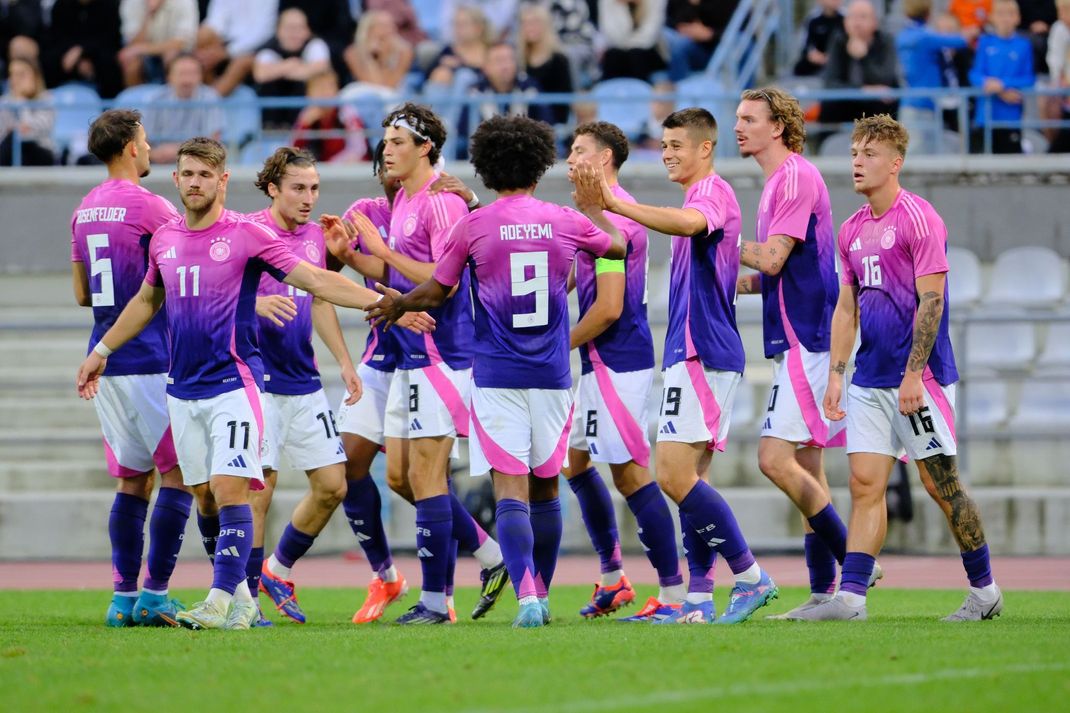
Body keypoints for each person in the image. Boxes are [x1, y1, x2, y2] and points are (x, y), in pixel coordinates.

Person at [74, 136, 432, 631]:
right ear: (176, 180)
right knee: (202, 494)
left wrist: (388, 302)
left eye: (206, 175)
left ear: (222, 181)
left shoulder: (246, 235)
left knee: (230, 489)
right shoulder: (165, 239)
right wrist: (100, 352)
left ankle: (221, 602)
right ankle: (242, 598)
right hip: (182, 389)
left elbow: (317, 281)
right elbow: (144, 302)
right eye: (188, 174)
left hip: (234, 386)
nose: (195, 183)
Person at [367, 114, 627, 628]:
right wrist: (601, 210)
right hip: (552, 373)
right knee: (547, 486)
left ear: (485, 167)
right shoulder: (562, 219)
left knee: (510, 490)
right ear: (540, 165)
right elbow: (618, 247)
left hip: (496, 375)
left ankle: (526, 596)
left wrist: (398, 305)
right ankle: (545, 594)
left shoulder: (474, 223)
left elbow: (437, 290)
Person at [578, 107, 778, 624]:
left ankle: (752, 576)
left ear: (704, 148)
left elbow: (690, 225)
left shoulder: (712, 193)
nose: (666, 154)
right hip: (690, 352)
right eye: (663, 146)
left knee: (670, 473)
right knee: (690, 480)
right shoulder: (697, 193)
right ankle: (695, 599)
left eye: (676, 146)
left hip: (705, 352)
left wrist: (618, 202)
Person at [804, 114, 1003, 622]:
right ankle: (851, 598)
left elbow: (931, 301)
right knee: (865, 485)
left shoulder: (919, 218)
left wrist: (914, 375)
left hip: (920, 378)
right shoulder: (850, 230)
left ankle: (985, 591)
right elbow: (846, 307)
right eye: (853, 153)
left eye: (868, 154)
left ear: (895, 163)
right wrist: (835, 374)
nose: (856, 162)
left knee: (942, 485)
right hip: (869, 378)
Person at [324, 141, 510, 623]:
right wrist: (354, 257)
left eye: (397, 143)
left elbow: (441, 278)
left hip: (440, 353)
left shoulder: (440, 200)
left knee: (427, 478)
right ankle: (490, 558)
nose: (388, 155)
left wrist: (392, 278)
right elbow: (387, 271)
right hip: (408, 358)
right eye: (384, 146)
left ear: (425, 150)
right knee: (401, 477)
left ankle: (437, 600)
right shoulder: (395, 204)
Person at [733, 87, 878, 620]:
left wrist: (716, 234)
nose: (739, 128)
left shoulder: (792, 177)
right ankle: (825, 593)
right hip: (800, 337)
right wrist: (725, 280)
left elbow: (772, 258)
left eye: (749, 119)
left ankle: (854, 560)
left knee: (774, 459)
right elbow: (772, 272)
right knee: (809, 469)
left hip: (809, 340)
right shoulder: (780, 181)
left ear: (778, 126)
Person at [560, 121, 686, 620]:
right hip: (597, 361)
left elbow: (610, 308)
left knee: (632, 476)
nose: (569, 161)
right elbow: (567, 281)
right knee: (575, 461)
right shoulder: (591, 215)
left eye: (579, 152)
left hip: (620, 360)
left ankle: (675, 594)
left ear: (605, 159)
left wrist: (556, 346)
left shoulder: (620, 222)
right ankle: (613, 578)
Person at [70, 109, 190, 628]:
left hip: (106, 357)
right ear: (128, 148)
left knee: (132, 481)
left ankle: (122, 597)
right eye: (143, 140)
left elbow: (80, 293)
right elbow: (185, 270)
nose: (149, 148)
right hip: (150, 356)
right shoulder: (152, 207)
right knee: (178, 477)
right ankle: (157, 594)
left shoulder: (84, 209)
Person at [240, 147, 362, 626]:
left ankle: (277, 569)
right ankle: (245, 600)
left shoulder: (316, 238)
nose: (308, 197)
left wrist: (345, 363)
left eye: (314, 188)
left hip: (303, 379)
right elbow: (212, 291)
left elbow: (323, 298)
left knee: (333, 485)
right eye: (298, 188)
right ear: (273, 188)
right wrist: (252, 308)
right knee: (260, 489)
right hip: (256, 378)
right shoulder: (246, 231)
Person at [896, 0, 969, 155]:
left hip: (908, 102)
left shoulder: (902, 37)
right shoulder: (926, 37)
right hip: (925, 104)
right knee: (921, 152)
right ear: (929, 14)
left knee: (909, 151)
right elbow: (961, 41)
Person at [968, 0, 1035, 154]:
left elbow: (1029, 78)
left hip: (1011, 118)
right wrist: (996, 88)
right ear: (992, 17)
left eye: (1010, 14)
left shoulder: (1023, 45)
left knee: (1011, 166)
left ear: (1018, 18)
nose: (1005, 19)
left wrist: (1002, 84)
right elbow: (975, 74)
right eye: (1000, 14)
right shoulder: (985, 42)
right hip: (985, 116)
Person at [820, 0, 900, 125]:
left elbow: (885, 80)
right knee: (829, 106)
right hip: (846, 108)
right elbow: (830, 84)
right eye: (852, 17)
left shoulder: (886, 41)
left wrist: (864, 58)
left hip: (877, 110)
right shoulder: (839, 41)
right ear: (845, 22)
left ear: (874, 22)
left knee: (886, 103)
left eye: (862, 17)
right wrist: (864, 90)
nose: (856, 23)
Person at [253, 7, 332, 129]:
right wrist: (290, 65)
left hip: (307, 117)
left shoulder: (315, 44)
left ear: (307, 30)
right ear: (278, 30)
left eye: (300, 28)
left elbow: (321, 67)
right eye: (289, 28)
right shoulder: (268, 48)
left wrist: (281, 70)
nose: (294, 33)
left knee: (318, 83)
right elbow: (260, 75)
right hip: (274, 116)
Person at [142, 52, 224, 165]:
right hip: (159, 164)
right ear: (169, 77)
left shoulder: (211, 97)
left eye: (192, 74)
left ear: (201, 76)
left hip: (198, 163)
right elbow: (142, 140)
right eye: (181, 74)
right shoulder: (155, 99)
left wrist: (179, 151)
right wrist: (153, 154)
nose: (187, 80)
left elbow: (214, 141)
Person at [196, 0, 278, 96]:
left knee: (241, 62)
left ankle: (212, 99)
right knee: (201, 38)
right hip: (226, 43)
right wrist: (207, 40)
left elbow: (263, 33)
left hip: (261, 47)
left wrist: (227, 52)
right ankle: (198, 89)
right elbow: (216, 22)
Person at [118, 0, 199, 87]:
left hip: (173, 52)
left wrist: (142, 49)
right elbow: (133, 43)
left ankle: (170, 97)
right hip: (145, 55)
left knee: (171, 55)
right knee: (131, 63)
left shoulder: (185, 2)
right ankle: (134, 98)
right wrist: (149, 14)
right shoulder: (131, 2)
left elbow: (181, 42)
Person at [0, 55, 55, 166]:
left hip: (40, 151)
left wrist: (21, 102)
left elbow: (39, 131)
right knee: (12, 141)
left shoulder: (47, 99)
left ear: (35, 77)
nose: (14, 80)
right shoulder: (4, 102)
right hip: (9, 154)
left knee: (20, 143)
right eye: (12, 74)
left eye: (21, 75)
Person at [342, 10, 413, 92]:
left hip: (395, 97)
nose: (390, 30)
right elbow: (373, 84)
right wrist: (369, 57)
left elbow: (390, 87)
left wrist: (384, 57)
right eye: (383, 26)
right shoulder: (352, 52)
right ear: (368, 30)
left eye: (392, 25)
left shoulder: (405, 52)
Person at [794, 0, 845, 77]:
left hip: (840, 60)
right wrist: (813, 55)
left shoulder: (846, 19)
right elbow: (807, 45)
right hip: (818, 61)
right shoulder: (813, 21)